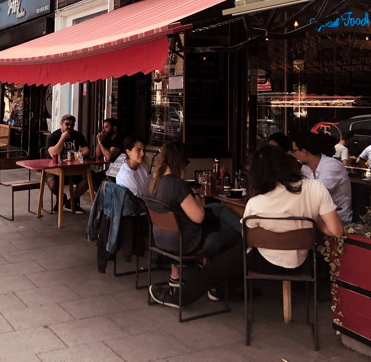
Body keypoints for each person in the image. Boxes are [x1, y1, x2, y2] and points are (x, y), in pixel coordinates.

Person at [149, 146, 343, 308]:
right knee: (235, 254)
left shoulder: (256, 203)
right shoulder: (315, 188)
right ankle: (221, 290)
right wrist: (314, 218)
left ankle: (181, 298)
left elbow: (246, 238)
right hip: (304, 262)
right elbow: (335, 231)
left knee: (225, 261)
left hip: (265, 263)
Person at [146, 141, 242, 302]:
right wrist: (196, 197)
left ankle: (175, 277)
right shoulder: (177, 184)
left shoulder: (154, 182)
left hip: (163, 239)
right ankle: (218, 286)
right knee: (235, 237)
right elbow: (198, 217)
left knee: (216, 209)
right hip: (189, 243)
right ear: (179, 161)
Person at [292, 132, 353, 223]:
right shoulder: (305, 168)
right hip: (315, 217)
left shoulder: (332, 165)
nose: (294, 154)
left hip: (339, 220)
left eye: (295, 151)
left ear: (304, 151)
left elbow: (318, 193)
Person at [46, 114, 90, 213]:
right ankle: (61, 198)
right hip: (55, 168)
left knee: (88, 177)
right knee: (51, 182)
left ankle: (72, 201)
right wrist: (62, 138)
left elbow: (86, 149)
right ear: (61, 124)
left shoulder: (78, 135)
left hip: (73, 167)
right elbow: (54, 153)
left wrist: (79, 154)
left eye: (72, 125)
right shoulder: (53, 136)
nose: (70, 127)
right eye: (67, 124)